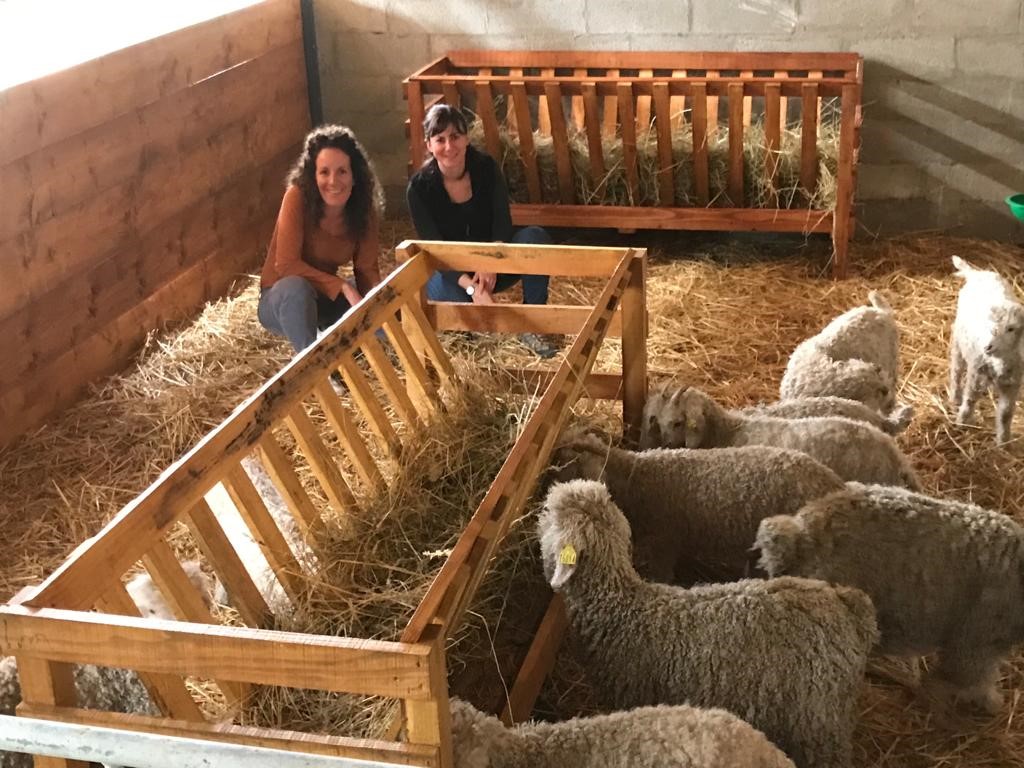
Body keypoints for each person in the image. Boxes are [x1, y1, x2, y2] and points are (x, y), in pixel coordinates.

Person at [406, 104, 557, 359]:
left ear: (466, 138)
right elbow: (436, 249)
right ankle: (475, 335)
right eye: (439, 139)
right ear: (429, 146)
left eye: (455, 137)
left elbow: (502, 222)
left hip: (493, 265)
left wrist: (490, 262)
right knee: (463, 320)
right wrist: (472, 289)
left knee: (535, 237)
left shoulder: (486, 168)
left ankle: (532, 324)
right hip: (453, 275)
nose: (449, 146)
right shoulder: (419, 189)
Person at [258, 124, 383, 354]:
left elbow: (366, 270)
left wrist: (378, 307)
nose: (333, 181)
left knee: (383, 295)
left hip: (325, 299)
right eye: (324, 172)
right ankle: (316, 370)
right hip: (282, 298)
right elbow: (286, 265)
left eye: (342, 171)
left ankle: (350, 348)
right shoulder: (297, 197)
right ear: (312, 176)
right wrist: (340, 285)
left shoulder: (364, 209)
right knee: (297, 287)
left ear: (355, 176)